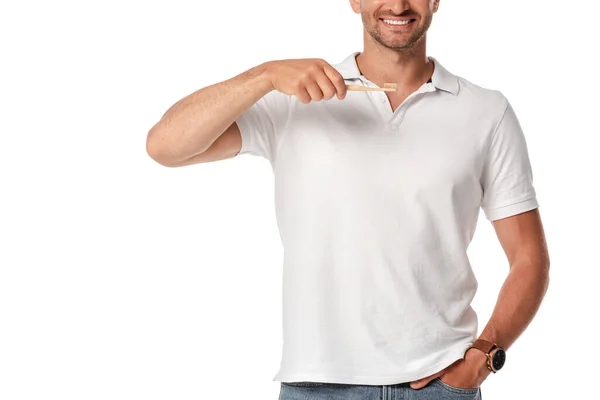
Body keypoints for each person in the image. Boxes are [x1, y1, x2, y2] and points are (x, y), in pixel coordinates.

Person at [146, 0, 551, 398]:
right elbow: (165, 146)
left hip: (439, 383)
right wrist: (264, 75)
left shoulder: (485, 111)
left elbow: (529, 258)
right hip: (318, 383)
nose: (397, 5)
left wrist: (484, 354)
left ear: (435, 1)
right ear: (355, 0)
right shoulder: (295, 98)